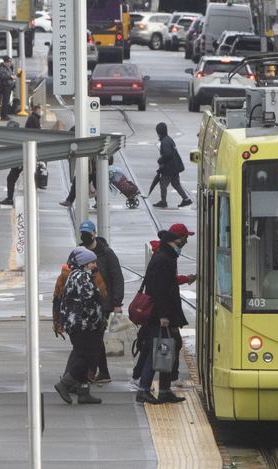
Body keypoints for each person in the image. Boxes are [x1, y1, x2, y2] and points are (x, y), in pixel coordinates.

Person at [130, 224, 196, 390]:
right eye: (185, 238)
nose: (186, 242)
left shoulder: (165, 255)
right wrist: (163, 315)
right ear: (178, 239)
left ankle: (163, 387)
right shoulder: (164, 258)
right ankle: (147, 385)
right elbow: (160, 289)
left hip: (162, 312)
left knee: (164, 347)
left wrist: (184, 279)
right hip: (161, 314)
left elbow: (168, 282)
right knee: (161, 348)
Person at [54, 247, 106, 405]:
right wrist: (96, 317)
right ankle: (65, 383)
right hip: (82, 325)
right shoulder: (81, 277)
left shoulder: (77, 275)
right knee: (86, 355)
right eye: (92, 262)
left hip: (78, 323)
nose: (94, 265)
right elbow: (88, 300)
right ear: (84, 263)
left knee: (83, 354)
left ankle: (84, 392)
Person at [79, 220, 124, 383]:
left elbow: (117, 277)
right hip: (84, 303)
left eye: (88, 233)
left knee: (95, 337)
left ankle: (92, 370)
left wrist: (117, 303)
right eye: (82, 233)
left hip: (104, 303)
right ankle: (103, 371)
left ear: (95, 233)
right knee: (92, 338)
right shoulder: (79, 252)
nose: (85, 236)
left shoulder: (107, 253)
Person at [0, 105, 45, 206]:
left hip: (23, 157)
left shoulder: (32, 119)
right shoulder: (35, 119)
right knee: (27, 178)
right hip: (30, 154)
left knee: (11, 178)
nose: (41, 112)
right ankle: (26, 199)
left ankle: (10, 198)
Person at [154, 122, 192, 208]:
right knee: (176, 184)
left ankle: (163, 201)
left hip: (169, 168)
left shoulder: (165, 141)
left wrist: (160, 160)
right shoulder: (169, 139)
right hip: (175, 167)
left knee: (163, 184)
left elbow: (168, 154)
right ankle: (186, 199)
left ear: (158, 132)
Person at [0, 56, 16, 121]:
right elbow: (2, 75)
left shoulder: (8, 68)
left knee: (6, 101)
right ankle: (3, 115)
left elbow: (10, 74)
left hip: (8, 86)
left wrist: (12, 76)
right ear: (5, 62)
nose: (10, 63)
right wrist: (10, 76)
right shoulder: (1, 67)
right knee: (4, 101)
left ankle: (4, 114)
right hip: (4, 86)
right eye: (9, 62)